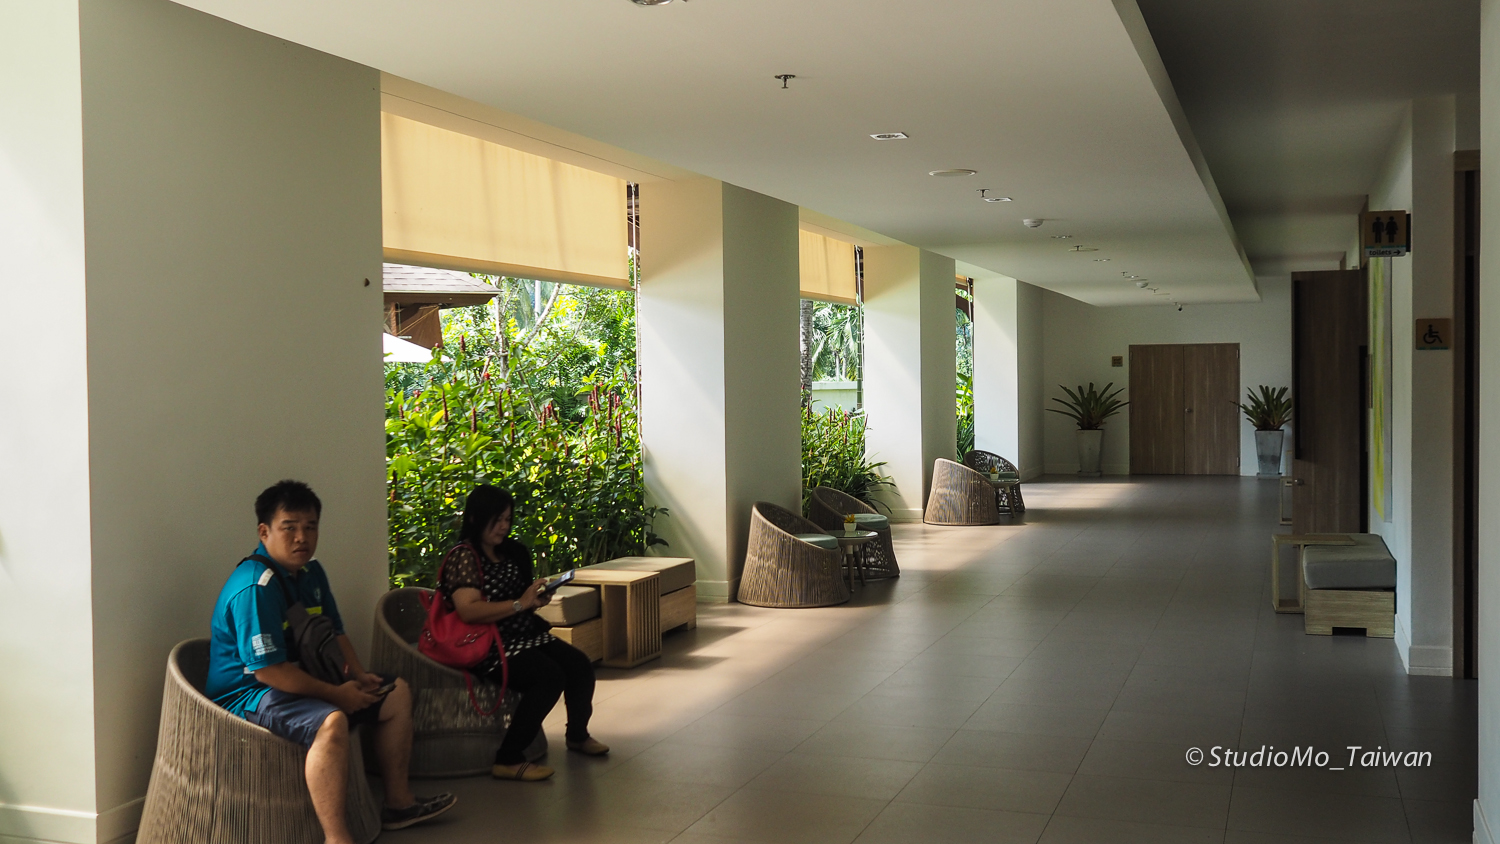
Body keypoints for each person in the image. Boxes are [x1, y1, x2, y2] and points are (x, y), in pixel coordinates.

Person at [206, 480, 456, 841]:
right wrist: (337, 695)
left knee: (395, 693)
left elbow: (336, 632)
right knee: (332, 721)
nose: (301, 538)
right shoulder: (255, 588)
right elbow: (269, 672)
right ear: (264, 532)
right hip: (248, 695)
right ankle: (337, 837)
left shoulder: (311, 573)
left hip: (299, 680)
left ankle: (398, 804)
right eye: (289, 528)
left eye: (310, 527)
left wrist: (358, 676)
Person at [438, 484, 608, 781]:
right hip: (487, 645)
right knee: (549, 676)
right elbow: (468, 611)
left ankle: (577, 735)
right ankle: (508, 758)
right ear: (476, 518)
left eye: (507, 519)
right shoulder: (464, 557)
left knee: (579, 665)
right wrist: (520, 604)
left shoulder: (512, 552)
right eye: (497, 520)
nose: (504, 526)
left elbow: (520, 600)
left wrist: (534, 600)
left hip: (524, 635)